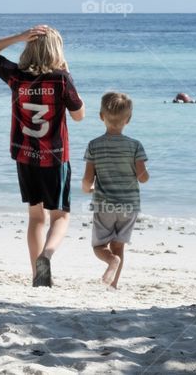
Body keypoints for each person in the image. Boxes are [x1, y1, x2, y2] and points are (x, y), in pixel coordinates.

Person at [0, 26, 85, 287]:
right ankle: (47, 256)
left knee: (35, 216)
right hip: (54, 157)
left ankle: (36, 275)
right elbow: (79, 114)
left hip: (25, 155)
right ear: (57, 51)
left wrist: (18, 37)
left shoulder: (16, 75)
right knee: (60, 216)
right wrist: (68, 71)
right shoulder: (61, 78)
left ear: (29, 47)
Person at [81, 92, 149, 289]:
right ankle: (113, 285)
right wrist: (146, 175)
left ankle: (111, 262)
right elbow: (142, 177)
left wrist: (88, 188)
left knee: (99, 246)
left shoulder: (94, 145)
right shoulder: (135, 146)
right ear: (128, 119)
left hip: (104, 205)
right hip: (129, 205)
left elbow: (87, 179)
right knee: (118, 245)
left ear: (101, 116)